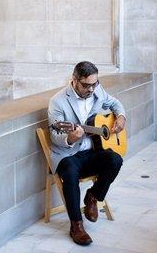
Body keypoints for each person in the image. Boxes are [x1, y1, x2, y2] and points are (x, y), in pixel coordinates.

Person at [48, 61, 126, 246]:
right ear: (74, 80)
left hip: (91, 151)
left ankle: (93, 196)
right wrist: (72, 137)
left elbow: (115, 103)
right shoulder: (57, 101)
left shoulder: (97, 90)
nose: (91, 89)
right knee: (69, 172)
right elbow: (55, 135)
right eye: (86, 85)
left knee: (115, 159)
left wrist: (121, 117)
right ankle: (76, 225)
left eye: (94, 84)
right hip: (68, 156)